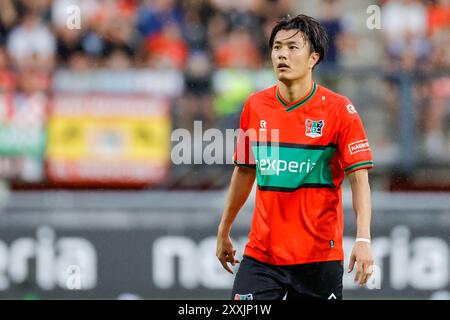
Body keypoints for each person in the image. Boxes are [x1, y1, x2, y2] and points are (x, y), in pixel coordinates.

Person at [216, 14, 374, 300]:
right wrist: (224, 228)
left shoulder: (339, 110)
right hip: (262, 256)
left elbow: (359, 180)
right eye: (277, 47)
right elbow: (244, 172)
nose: (282, 55)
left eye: (292, 48)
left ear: (313, 58)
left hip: (318, 259)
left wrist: (363, 239)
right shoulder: (255, 106)